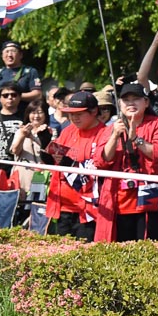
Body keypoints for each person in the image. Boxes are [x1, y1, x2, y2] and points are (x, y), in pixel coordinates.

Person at [92, 83, 158, 242]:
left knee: (148, 252)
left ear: (146, 102)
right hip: (116, 201)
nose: (131, 103)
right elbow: (100, 161)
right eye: (126, 100)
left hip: (150, 200)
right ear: (119, 104)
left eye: (136, 99)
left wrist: (136, 139)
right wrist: (115, 136)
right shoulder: (112, 127)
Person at [45, 90, 107, 241]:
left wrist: (68, 162)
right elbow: (53, 158)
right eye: (71, 113)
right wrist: (44, 141)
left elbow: (98, 167)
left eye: (79, 113)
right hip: (63, 206)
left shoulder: (104, 133)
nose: (74, 117)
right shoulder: (68, 131)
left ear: (94, 111)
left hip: (88, 211)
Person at [0, 40, 41, 111]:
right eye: (6, 52)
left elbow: (37, 94)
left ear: (20, 55)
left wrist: (15, 96)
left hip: (20, 114)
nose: (9, 55)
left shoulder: (29, 71)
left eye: (13, 51)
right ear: (2, 56)